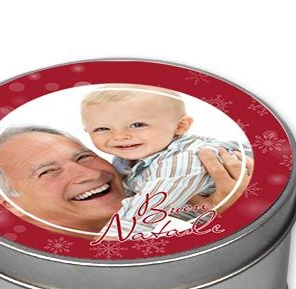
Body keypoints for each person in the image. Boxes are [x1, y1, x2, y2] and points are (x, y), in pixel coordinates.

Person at [0, 125, 253, 239]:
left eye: (84, 156)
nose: (89, 174)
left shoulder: (158, 184)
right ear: (9, 206)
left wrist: (235, 215)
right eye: (48, 172)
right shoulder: (42, 266)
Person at [80, 84, 253, 237]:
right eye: (102, 128)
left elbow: (142, 213)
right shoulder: (128, 158)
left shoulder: (184, 158)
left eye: (138, 125)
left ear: (180, 126)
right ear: (87, 131)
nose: (119, 136)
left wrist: (104, 244)